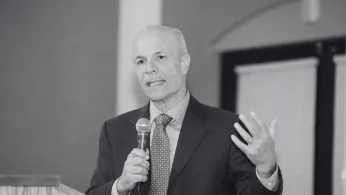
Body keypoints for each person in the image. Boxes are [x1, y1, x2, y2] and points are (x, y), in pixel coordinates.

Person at [86, 25, 283, 195]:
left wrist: (267, 169)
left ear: (184, 63)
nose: (149, 69)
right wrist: (120, 187)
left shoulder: (228, 130)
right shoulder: (114, 130)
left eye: (160, 57)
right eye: (141, 61)